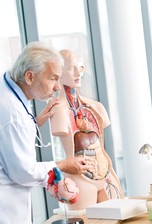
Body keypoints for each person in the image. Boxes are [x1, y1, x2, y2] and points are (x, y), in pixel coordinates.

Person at [0, 42, 90, 224]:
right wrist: (62, 165)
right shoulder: (10, 112)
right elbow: (23, 172)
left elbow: (1, 138)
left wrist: (34, 121)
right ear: (30, 77)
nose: (56, 87)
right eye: (53, 78)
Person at [50, 49, 124, 211]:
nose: (78, 72)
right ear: (59, 73)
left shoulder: (96, 107)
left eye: (80, 67)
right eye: (71, 68)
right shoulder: (59, 110)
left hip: (106, 175)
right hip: (80, 179)